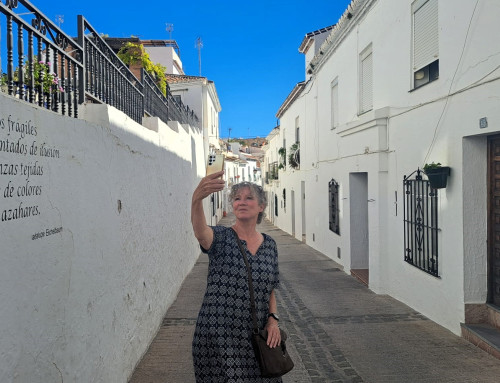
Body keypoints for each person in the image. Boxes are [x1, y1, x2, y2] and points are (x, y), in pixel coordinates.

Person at [191, 170, 282, 382]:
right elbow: (200, 232)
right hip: (219, 334)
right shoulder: (221, 236)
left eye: (249, 198)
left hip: (256, 336)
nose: (241, 202)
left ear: (261, 207)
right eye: (237, 198)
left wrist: (273, 321)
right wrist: (196, 199)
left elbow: (270, 289)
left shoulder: (270, 245)